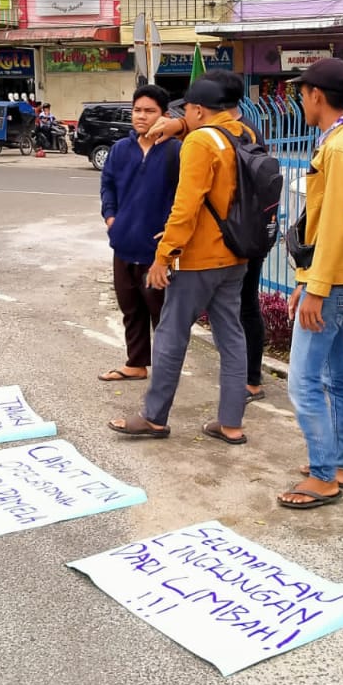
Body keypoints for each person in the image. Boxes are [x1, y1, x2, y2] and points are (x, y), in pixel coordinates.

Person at [108, 74, 254, 445]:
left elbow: (185, 206)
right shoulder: (245, 135)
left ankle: (154, 418)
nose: (182, 115)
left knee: (171, 334)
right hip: (236, 254)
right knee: (232, 337)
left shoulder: (202, 142)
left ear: (200, 109)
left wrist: (163, 256)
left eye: (185, 109)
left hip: (198, 258)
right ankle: (231, 423)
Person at [276, 58, 343, 510]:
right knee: (337, 372)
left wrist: (315, 287)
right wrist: (309, 279)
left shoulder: (340, 148)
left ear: (316, 95)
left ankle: (324, 475)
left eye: (302, 93)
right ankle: (339, 462)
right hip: (340, 275)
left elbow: (335, 223)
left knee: (302, 380)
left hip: (335, 279)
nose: (300, 100)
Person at [98, 85, 180, 383]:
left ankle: (166, 370)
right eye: (137, 110)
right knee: (130, 307)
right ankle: (135, 364)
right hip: (124, 244)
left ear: (165, 116)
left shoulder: (176, 151)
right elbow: (107, 185)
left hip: (158, 250)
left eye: (150, 111)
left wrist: (172, 232)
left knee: (162, 313)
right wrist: (110, 217)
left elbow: (185, 197)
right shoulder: (121, 149)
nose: (142, 116)